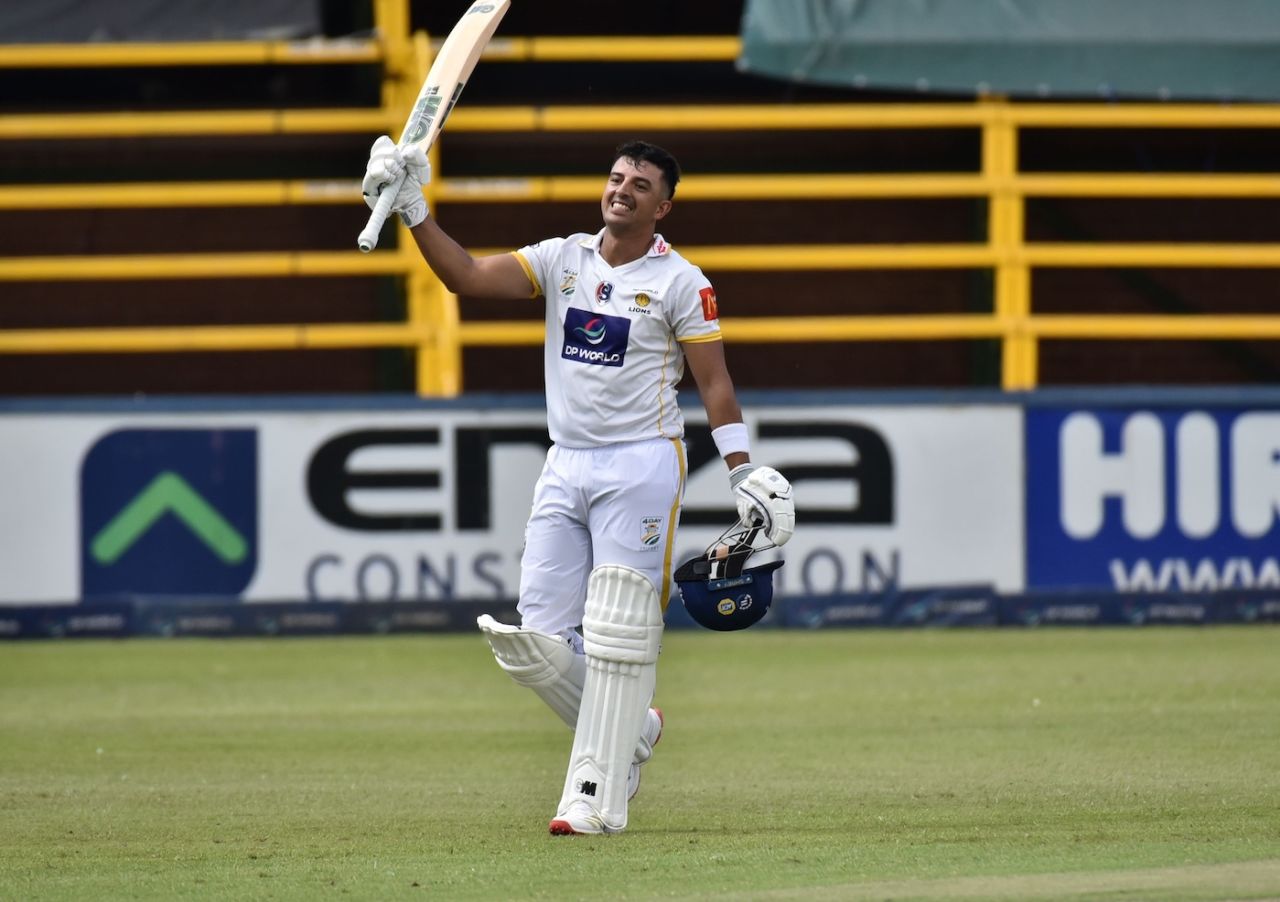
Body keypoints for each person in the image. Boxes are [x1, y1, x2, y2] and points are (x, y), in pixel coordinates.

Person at [362, 137, 794, 835]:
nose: (622, 190)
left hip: (642, 464)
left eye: (640, 185)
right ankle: (634, 732)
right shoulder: (563, 258)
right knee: (535, 642)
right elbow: (466, 277)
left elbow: (715, 384)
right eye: (617, 177)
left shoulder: (683, 281)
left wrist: (741, 470)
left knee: (620, 631)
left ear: (663, 206)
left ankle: (593, 799)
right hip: (566, 462)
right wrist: (414, 209)